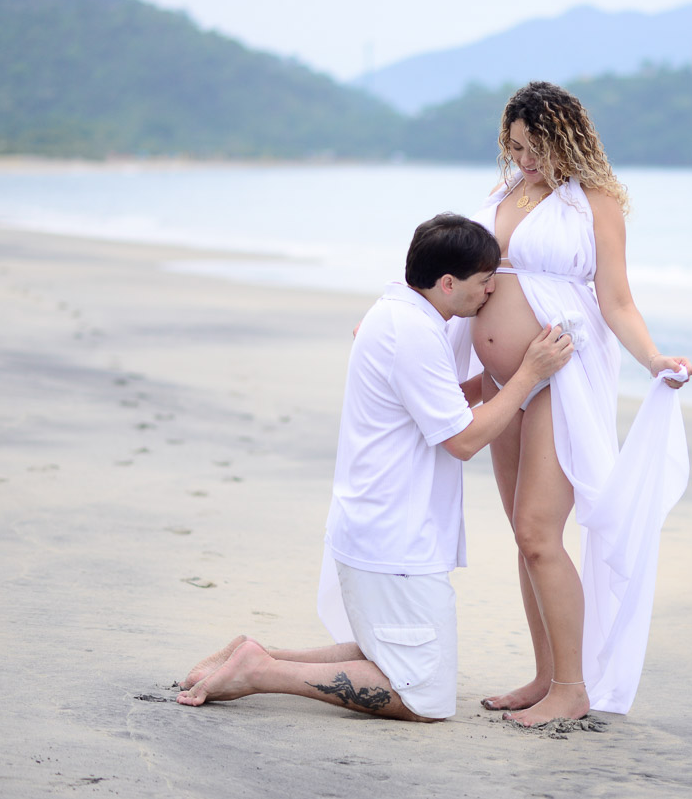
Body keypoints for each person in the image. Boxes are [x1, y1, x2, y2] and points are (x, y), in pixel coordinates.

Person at [176, 214, 573, 720]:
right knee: (423, 697)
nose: (491, 293)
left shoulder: (400, 314)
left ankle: (258, 655)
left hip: (380, 533)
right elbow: (463, 439)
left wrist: (503, 377)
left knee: (388, 660)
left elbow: (438, 401)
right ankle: (261, 672)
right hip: (393, 543)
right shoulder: (410, 330)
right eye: (483, 282)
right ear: (447, 283)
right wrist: (532, 373)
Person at [448, 81, 692, 725]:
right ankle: (544, 674)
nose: (524, 160)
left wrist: (654, 360)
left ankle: (573, 687)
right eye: (515, 147)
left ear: (567, 137)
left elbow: (616, 300)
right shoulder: (501, 195)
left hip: (561, 376)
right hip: (507, 382)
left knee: (539, 532)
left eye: (535, 148)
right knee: (524, 537)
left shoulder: (596, 202)